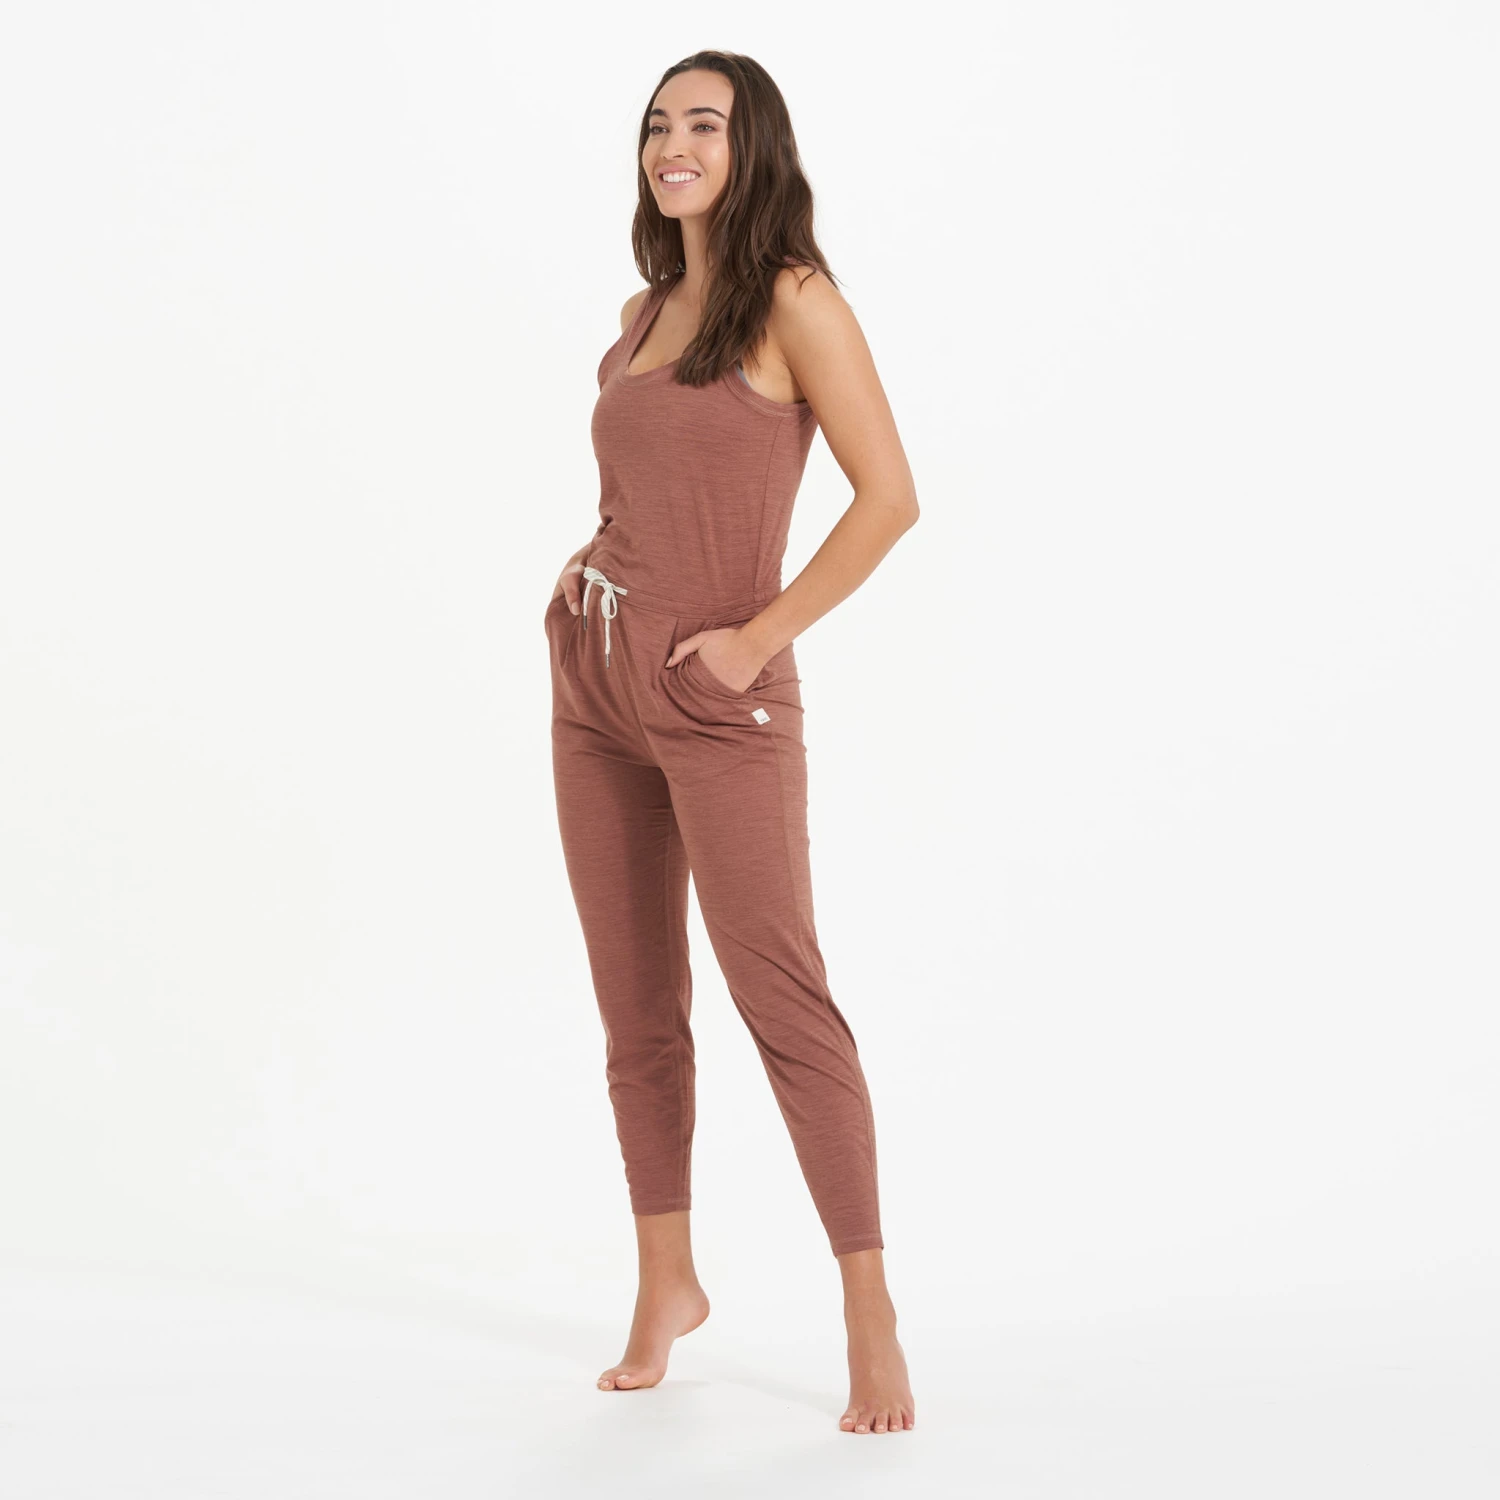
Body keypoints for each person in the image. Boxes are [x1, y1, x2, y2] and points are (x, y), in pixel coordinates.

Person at [543, 51, 919, 1437]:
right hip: (595, 685)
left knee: (782, 996)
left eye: (702, 124)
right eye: (658, 125)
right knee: (637, 1008)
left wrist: (755, 643)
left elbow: (890, 498)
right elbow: (645, 493)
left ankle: (868, 1310)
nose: (673, 146)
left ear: (753, 145)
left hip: (721, 698)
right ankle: (668, 1281)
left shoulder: (794, 299)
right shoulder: (641, 313)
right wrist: (584, 585)